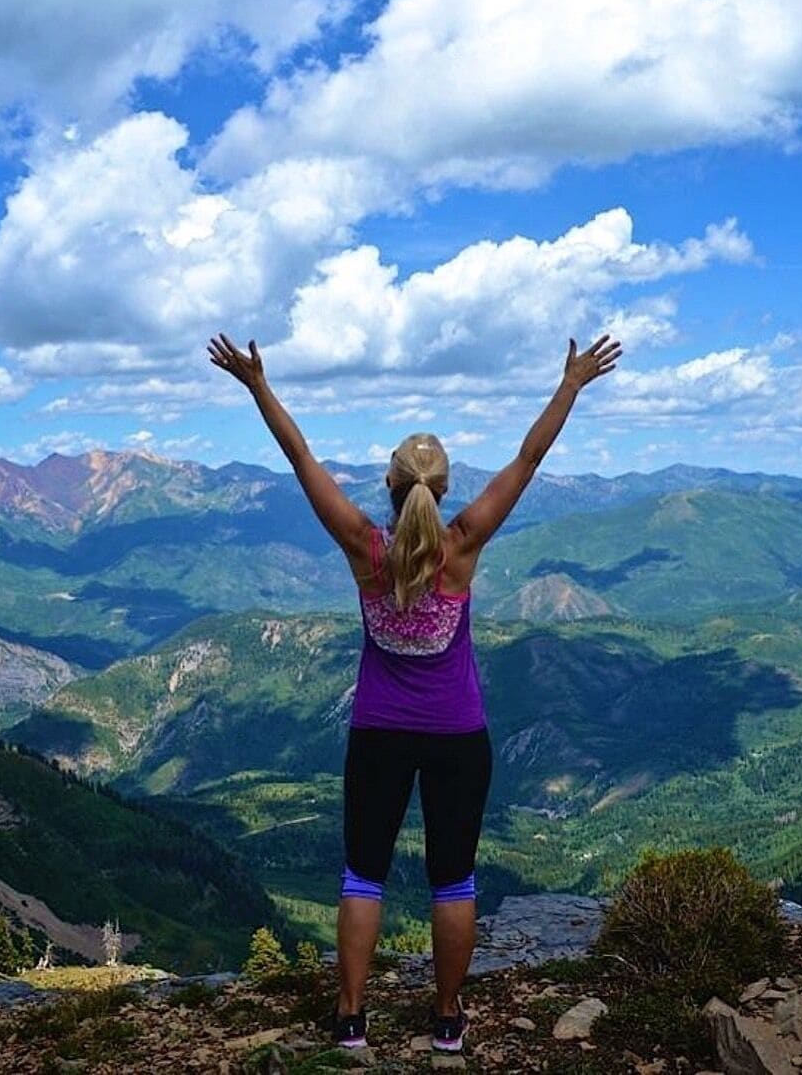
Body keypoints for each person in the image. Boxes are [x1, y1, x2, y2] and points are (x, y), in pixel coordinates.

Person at [207, 331, 621, 1054]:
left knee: (363, 873)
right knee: (452, 879)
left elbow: (301, 459)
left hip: (379, 732)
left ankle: (350, 1020)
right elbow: (529, 459)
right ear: (445, 488)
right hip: (459, 734)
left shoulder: (366, 549)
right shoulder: (462, 543)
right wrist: (571, 385)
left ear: (392, 489)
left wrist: (258, 387)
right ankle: (448, 1021)